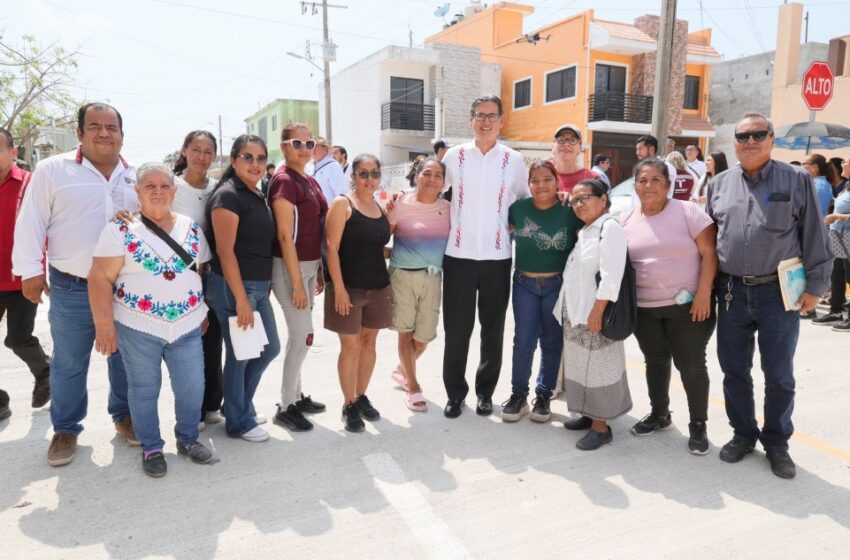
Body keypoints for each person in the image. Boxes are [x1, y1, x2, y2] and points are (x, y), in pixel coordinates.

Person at [706, 112, 832, 479]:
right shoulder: (719, 184)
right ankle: (743, 434)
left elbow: (815, 236)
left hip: (780, 294)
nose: (749, 141)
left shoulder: (795, 180)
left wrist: (815, 288)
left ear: (771, 139)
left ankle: (777, 443)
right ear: (734, 143)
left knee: (778, 374)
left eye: (757, 134)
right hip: (730, 292)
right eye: (742, 136)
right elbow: (709, 242)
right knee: (734, 371)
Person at [13, 102, 138, 466]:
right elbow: (32, 220)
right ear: (80, 133)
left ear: (121, 135)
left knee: (125, 360)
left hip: (123, 287)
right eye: (95, 126)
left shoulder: (135, 176)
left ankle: (124, 417)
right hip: (71, 287)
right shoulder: (54, 169)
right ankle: (66, 429)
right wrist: (30, 270)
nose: (104, 133)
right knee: (69, 362)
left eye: (111, 127)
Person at [89, 163, 215, 477]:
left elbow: (200, 270)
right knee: (144, 389)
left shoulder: (191, 227)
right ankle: (152, 447)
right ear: (137, 191)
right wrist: (104, 326)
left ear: (174, 191)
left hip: (186, 326)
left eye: (164, 186)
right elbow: (100, 278)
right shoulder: (120, 229)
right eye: (150, 186)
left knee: (192, 387)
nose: (158, 191)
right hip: (137, 326)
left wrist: (199, 309)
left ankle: (187, 440)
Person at [620, 160, 717, 455]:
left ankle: (698, 425)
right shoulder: (625, 220)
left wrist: (703, 294)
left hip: (688, 308)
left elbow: (709, 253)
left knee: (690, 365)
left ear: (667, 184)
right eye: (642, 180)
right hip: (645, 309)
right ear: (635, 185)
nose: (648, 185)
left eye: (655, 179)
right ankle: (660, 414)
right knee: (655, 361)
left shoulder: (688, 212)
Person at [441, 96, 529, 419]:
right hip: (458, 256)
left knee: (492, 330)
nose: (486, 121)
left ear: (502, 120)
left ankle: (485, 393)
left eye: (492, 116)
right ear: (471, 120)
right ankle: (454, 394)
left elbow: (524, 201)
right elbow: (434, 191)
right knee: (457, 329)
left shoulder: (514, 160)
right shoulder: (454, 156)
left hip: (497, 257)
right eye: (480, 116)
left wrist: (509, 224)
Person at [205, 134, 281, 442]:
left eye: (261, 158)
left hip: (255, 287)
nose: (255, 164)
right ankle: (238, 420)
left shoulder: (254, 193)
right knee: (242, 354)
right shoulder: (228, 195)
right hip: (234, 286)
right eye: (248, 157)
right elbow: (225, 252)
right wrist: (241, 299)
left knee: (267, 348)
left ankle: (238, 406)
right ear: (234, 159)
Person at [501, 160, 581, 423]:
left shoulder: (569, 209)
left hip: (556, 285)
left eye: (547, 179)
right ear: (528, 184)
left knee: (551, 341)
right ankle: (518, 395)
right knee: (523, 340)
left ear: (557, 181)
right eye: (535, 180)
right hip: (524, 283)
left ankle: (544, 395)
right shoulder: (518, 209)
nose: (541, 185)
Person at [556, 179, 631, 450]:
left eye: (584, 198)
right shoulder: (587, 230)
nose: (578, 204)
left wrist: (597, 311)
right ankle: (588, 416)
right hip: (577, 313)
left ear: (603, 200)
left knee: (598, 371)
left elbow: (611, 277)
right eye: (574, 200)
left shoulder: (610, 228)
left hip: (594, 315)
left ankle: (601, 427)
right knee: (581, 368)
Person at [324, 154, 392, 432]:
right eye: (363, 173)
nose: (369, 179)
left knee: (369, 344)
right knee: (350, 347)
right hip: (349, 288)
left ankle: (361, 395)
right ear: (352, 176)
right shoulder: (343, 204)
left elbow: (378, 248)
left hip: (378, 286)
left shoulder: (380, 207)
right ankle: (348, 403)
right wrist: (338, 288)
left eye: (374, 174)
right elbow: (331, 248)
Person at [268, 124, 328, 432]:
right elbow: (284, 235)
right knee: (303, 337)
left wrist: (317, 270)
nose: (305, 147)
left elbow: (313, 227)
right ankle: (285, 406)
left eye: (310, 142)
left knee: (299, 336)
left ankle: (296, 396)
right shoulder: (284, 181)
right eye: (297, 142)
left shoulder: (308, 179)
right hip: (289, 268)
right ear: (284, 147)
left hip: (308, 266)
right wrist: (295, 282)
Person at [386, 157, 451, 412]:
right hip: (403, 276)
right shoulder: (400, 203)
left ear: (444, 182)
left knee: (424, 337)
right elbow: (381, 236)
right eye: (427, 173)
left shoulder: (448, 208)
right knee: (405, 331)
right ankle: (413, 386)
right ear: (417, 176)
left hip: (434, 277)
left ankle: (403, 369)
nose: (431, 179)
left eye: (437, 175)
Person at [171, 130, 225, 431]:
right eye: (196, 150)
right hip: (180, 275)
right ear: (184, 151)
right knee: (187, 345)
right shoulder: (172, 188)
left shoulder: (217, 188)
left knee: (213, 342)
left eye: (208, 151)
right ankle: (190, 410)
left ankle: (211, 405)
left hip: (212, 274)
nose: (202, 157)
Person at [0, 126, 51, 420]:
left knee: (18, 339)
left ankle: (46, 372)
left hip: (21, 279)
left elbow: (44, 230)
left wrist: (39, 271)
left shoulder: (30, 184)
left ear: (13, 152)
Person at [814, 174, 850, 329]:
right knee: (837, 276)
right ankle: (836, 310)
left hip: (847, 236)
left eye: (846, 161)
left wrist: (837, 216)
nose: (843, 163)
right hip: (838, 236)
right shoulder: (846, 187)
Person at [550, 124, 598, 194]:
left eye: (572, 140)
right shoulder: (542, 178)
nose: (566, 144)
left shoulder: (593, 179)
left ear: (580, 148)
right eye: (561, 140)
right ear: (553, 147)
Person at [311, 137, 348, 203]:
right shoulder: (309, 166)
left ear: (326, 148)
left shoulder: (333, 166)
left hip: (329, 211)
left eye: (316, 146)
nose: (312, 149)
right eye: (310, 146)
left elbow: (341, 194)